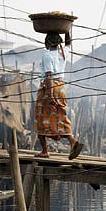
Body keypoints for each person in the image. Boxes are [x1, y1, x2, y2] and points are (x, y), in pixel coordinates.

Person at [34, 31, 83, 159]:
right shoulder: (63, 53)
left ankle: (45, 151)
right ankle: (73, 142)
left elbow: (49, 75)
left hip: (49, 88)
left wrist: (49, 95)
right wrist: (67, 31)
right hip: (61, 87)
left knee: (41, 117)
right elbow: (68, 44)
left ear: (48, 42)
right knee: (60, 115)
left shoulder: (47, 55)